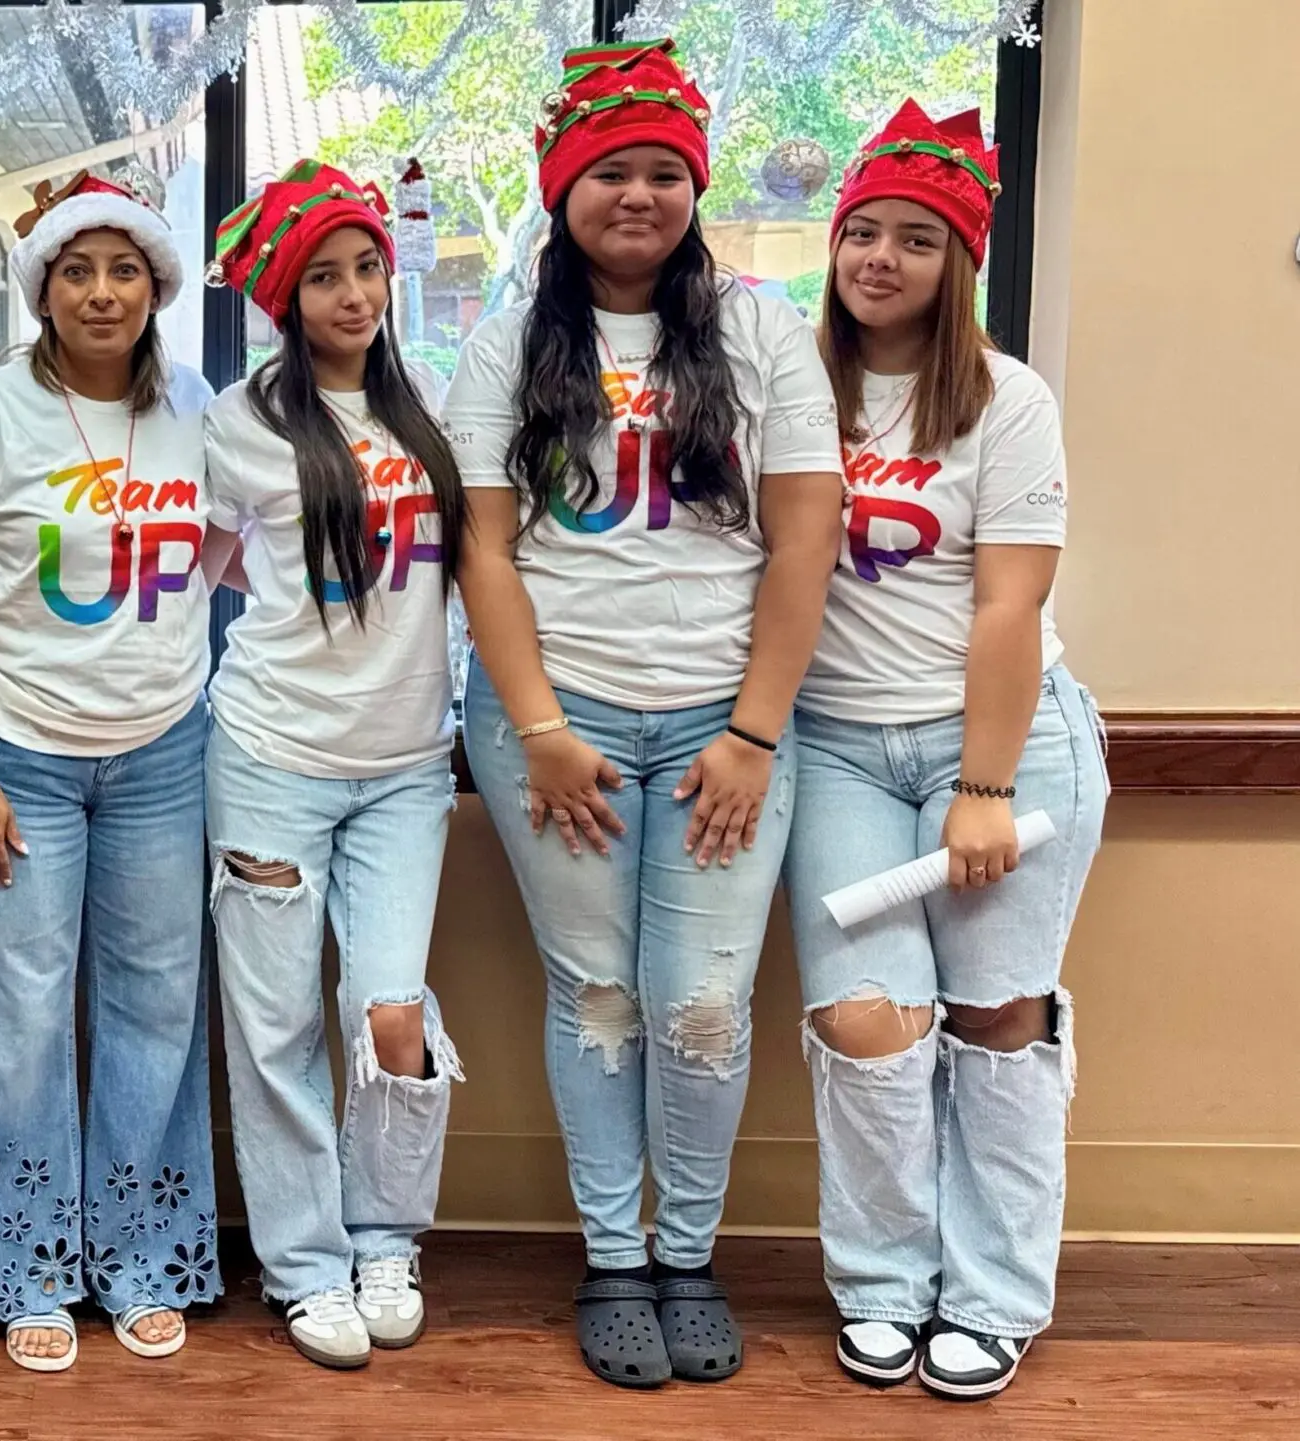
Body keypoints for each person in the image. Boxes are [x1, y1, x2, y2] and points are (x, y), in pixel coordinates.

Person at [443, 38, 844, 1389]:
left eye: (667, 172)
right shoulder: (505, 341)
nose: (641, 194)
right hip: (559, 725)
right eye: (612, 170)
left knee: (701, 1007)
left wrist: (753, 732)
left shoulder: (763, 330)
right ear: (564, 188)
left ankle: (689, 1252)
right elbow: (483, 552)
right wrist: (545, 724)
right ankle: (614, 1255)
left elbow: (804, 545)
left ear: (696, 190)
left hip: (725, 728)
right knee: (601, 992)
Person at [785, 100, 1105, 1403]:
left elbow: (1008, 605)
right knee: (867, 1022)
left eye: (915, 238)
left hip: (1007, 752)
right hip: (844, 751)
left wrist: (981, 785)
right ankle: (882, 1279)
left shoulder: (1006, 400)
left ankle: (992, 1294)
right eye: (862, 231)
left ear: (957, 259)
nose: (880, 258)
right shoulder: (793, 391)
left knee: (995, 1020)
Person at [0, 171, 222, 1372]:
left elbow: (243, 563)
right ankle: (24, 1263)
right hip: (21, 760)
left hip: (164, 751)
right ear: (42, 288)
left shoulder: (198, 409)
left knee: (156, 1013)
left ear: (157, 288)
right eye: (78, 271)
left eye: (125, 270)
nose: (102, 292)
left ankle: (144, 1255)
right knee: (15, 1023)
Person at [200, 160, 467, 1370]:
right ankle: (303, 1264)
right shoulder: (237, 423)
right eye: (324, 275)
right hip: (268, 756)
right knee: (272, 1032)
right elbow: (185, 579)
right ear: (283, 297)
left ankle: (384, 1235)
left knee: (389, 1011)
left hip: (409, 765)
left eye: (365, 266)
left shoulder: (433, 411)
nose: (353, 293)